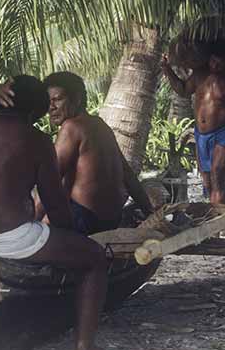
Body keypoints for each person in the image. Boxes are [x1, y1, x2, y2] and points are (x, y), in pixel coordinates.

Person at [0, 72, 130, 350]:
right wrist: (71, 241)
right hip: (13, 238)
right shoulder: (36, 140)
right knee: (93, 258)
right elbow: (56, 206)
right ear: (33, 113)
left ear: (1, 98)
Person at [41, 71, 154, 234]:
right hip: (110, 219)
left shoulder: (72, 127)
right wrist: (149, 211)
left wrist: (28, 223)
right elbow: (127, 175)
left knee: (41, 218)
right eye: (48, 101)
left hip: (85, 218)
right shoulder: (100, 125)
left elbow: (49, 180)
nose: (51, 107)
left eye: (58, 99)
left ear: (77, 99)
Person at [161, 46, 225, 205]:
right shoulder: (200, 74)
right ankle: (213, 217)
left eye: (220, 63)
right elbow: (183, 90)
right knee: (207, 182)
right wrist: (167, 69)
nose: (215, 66)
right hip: (201, 135)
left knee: (217, 176)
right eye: (213, 61)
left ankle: (218, 223)